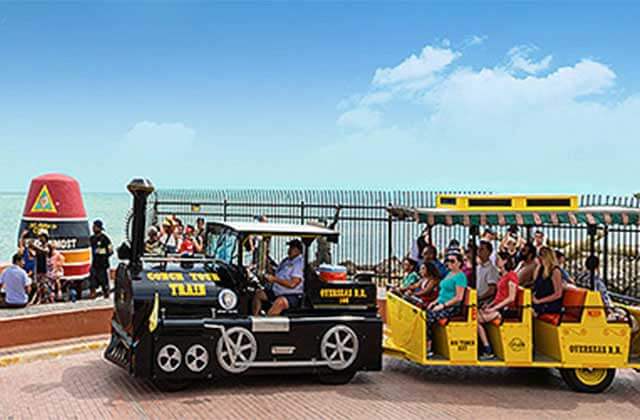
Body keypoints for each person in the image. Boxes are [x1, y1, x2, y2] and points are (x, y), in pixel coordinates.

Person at [477, 252, 519, 360]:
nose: (496, 261)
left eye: (498, 259)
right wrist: (489, 305)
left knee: (475, 319)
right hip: (499, 307)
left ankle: (487, 349)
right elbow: (499, 296)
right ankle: (485, 347)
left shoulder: (511, 276)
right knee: (475, 314)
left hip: (507, 309)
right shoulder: (502, 276)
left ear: (505, 261)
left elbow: (511, 297)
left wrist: (494, 308)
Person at [425, 252, 468, 357]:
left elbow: (458, 297)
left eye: (452, 261)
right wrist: (434, 302)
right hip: (441, 303)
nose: (449, 263)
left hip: (452, 307)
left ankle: (429, 347)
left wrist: (443, 306)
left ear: (459, 263)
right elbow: (443, 292)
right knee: (420, 313)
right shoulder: (449, 274)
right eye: (448, 261)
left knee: (427, 317)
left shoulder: (460, 277)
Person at [252, 239, 305, 316]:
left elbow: (292, 284)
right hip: (276, 291)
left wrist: (274, 279)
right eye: (289, 247)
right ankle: (255, 317)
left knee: (280, 302)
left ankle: (266, 323)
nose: (289, 250)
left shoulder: (299, 263)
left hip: (292, 295)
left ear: (298, 250)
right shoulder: (286, 261)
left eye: (292, 248)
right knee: (258, 294)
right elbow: (277, 273)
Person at [532, 246, 564, 316]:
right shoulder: (540, 269)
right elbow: (535, 283)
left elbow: (558, 294)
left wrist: (539, 301)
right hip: (539, 302)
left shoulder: (555, 271)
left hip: (549, 304)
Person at [90, 220, 113, 299]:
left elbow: (110, 251)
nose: (93, 228)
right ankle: (93, 292)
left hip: (103, 264)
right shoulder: (92, 238)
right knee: (92, 279)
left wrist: (100, 252)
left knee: (104, 280)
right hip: (94, 263)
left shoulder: (105, 239)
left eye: (95, 227)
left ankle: (106, 292)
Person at [30, 229, 51, 304]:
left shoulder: (48, 245)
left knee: (44, 284)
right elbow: (34, 255)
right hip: (38, 268)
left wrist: (35, 247)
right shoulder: (39, 246)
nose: (40, 238)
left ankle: (44, 299)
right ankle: (39, 299)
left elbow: (46, 251)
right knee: (38, 285)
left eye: (41, 237)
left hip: (45, 269)